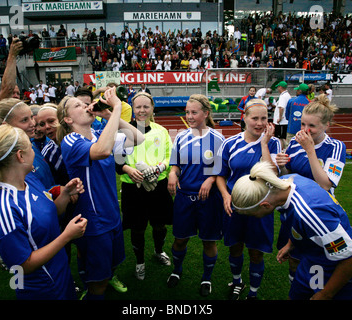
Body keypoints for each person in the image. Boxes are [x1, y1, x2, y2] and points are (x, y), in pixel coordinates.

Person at [230, 161, 352, 300]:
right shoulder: (284, 184)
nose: (253, 218)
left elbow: (351, 258)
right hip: (315, 260)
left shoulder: (313, 213)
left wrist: (325, 295)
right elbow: (298, 223)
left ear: (265, 205)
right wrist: (291, 244)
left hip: (348, 274)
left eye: (252, 215)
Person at [0, 124, 87, 300]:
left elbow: (48, 215)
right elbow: (22, 266)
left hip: (60, 275)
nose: (34, 147)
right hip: (42, 289)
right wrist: (67, 236)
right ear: (20, 156)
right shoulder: (4, 208)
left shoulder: (29, 179)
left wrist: (65, 194)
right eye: (30, 144)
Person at [56, 87, 145, 300]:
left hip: (112, 215)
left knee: (111, 266)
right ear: (68, 119)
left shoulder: (98, 133)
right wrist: (115, 109)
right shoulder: (70, 141)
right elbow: (102, 151)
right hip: (94, 222)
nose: (85, 106)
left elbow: (138, 138)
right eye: (77, 105)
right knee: (99, 284)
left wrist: (107, 114)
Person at [275, 94, 347, 283]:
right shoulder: (294, 143)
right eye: (302, 125)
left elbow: (325, 184)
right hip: (294, 211)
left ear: (326, 125)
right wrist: (282, 164)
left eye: (312, 126)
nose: (306, 130)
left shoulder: (336, 147)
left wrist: (310, 150)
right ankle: (295, 287)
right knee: (294, 259)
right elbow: (286, 176)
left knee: (317, 262)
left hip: (319, 213)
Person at [215, 99, 281, 300]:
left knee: (256, 252)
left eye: (264, 118)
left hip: (261, 208)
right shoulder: (229, 143)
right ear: (244, 119)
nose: (260, 123)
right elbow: (220, 174)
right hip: (235, 206)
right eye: (255, 118)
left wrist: (263, 143)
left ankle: (253, 292)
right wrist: (226, 195)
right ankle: (237, 282)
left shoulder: (275, 142)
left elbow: (274, 175)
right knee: (235, 247)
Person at [167, 94, 225, 297]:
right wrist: (173, 174)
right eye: (187, 112)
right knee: (180, 239)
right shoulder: (181, 136)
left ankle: (206, 277)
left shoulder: (218, 138)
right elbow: (175, 165)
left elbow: (222, 168)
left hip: (209, 200)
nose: (189, 116)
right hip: (184, 197)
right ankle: (177, 270)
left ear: (206, 113)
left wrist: (209, 179)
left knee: (209, 241)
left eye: (194, 112)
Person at [116, 91, 173, 281]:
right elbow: (117, 163)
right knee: (137, 227)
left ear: (152, 108)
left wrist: (160, 167)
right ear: (133, 109)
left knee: (159, 224)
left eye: (145, 106)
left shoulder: (161, 130)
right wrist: (130, 171)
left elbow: (168, 156)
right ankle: (140, 262)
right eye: (138, 107)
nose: (142, 110)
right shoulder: (123, 131)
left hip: (158, 185)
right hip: (134, 188)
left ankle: (158, 251)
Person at [273, 81, 291, 148]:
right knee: (282, 137)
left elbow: (281, 107)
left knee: (280, 137)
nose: (277, 88)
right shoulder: (287, 95)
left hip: (281, 121)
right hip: (284, 120)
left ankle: (282, 150)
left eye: (278, 87)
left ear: (280, 87)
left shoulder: (283, 96)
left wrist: (280, 117)